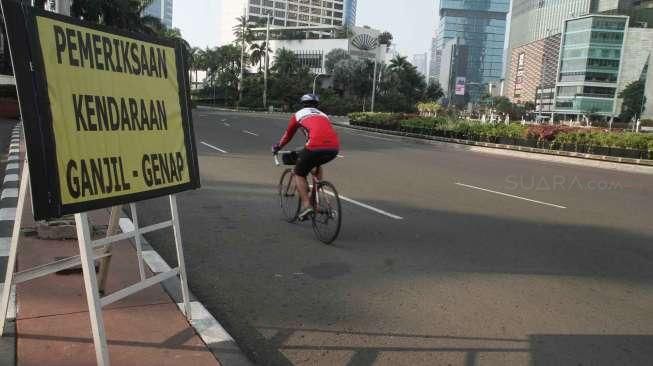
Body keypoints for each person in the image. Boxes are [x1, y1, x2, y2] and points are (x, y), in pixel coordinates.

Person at [272, 94, 340, 220]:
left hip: (314, 146)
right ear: (317, 105)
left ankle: (307, 205)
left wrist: (277, 147)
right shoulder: (323, 115)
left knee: (299, 173)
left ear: (302, 104)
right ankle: (314, 200)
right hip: (334, 148)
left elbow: (288, 135)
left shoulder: (298, 115)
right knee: (316, 167)